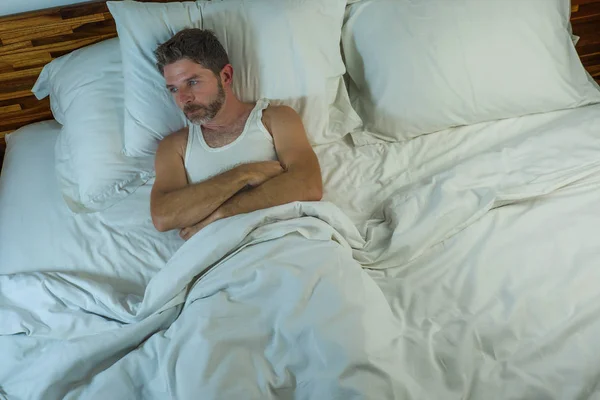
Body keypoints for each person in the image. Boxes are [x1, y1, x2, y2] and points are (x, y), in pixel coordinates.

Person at [150, 29, 323, 240]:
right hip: (226, 258)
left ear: (225, 76)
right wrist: (244, 174)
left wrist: (219, 215)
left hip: (291, 240)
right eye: (174, 89)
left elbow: (308, 184)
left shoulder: (275, 119)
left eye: (193, 82)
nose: (183, 98)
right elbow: (163, 216)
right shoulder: (175, 146)